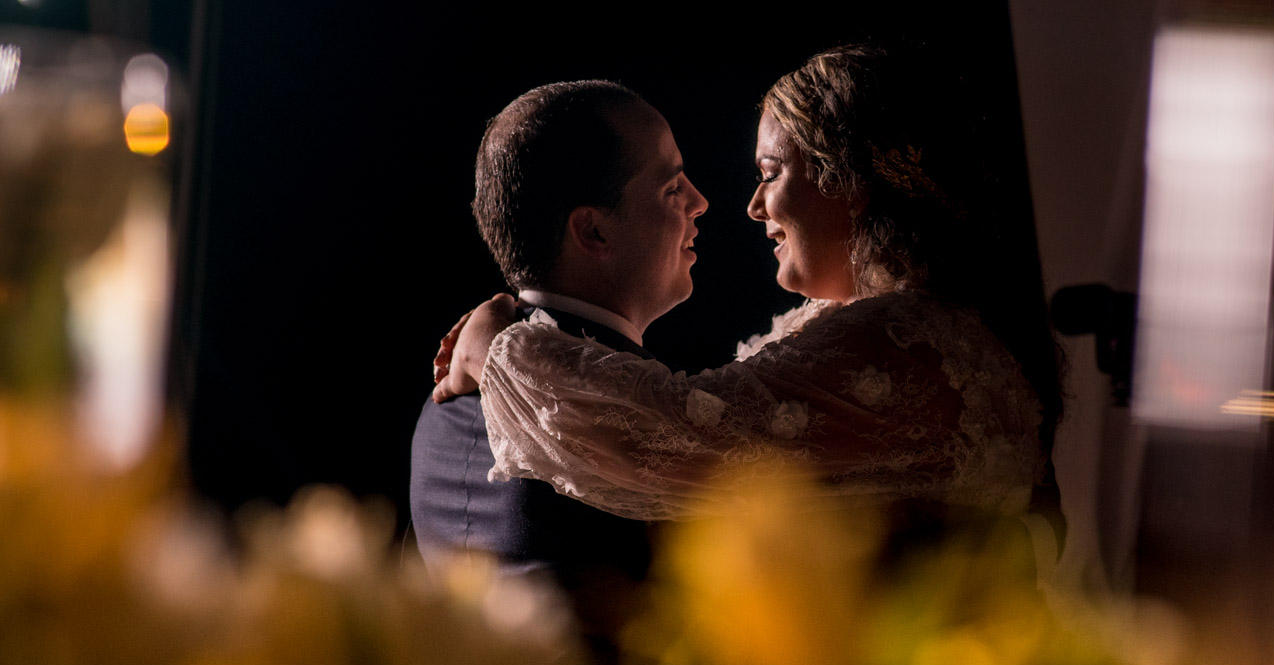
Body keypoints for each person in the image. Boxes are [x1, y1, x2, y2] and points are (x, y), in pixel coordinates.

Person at [433, 42, 1064, 558]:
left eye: (770, 173)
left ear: (850, 180)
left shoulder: (903, 334)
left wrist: (493, 343)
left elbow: (672, 435)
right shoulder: (924, 327)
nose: (750, 206)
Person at [410, 80, 707, 599]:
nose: (699, 203)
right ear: (594, 232)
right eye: (671, 188)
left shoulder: (442, 407)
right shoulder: (625, 412)